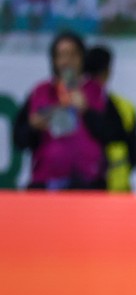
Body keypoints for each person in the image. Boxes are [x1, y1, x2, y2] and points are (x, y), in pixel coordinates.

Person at [13, 31, 120, 190]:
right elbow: (19, 139)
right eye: (61, 55)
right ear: (54, 60)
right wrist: (33, 127)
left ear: (82, 58)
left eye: (72, 54)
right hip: (46, 183)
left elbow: (115, 134)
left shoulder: (96, 91)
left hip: (89, 184)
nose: (66, 61)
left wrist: (87, 111)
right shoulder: (40, 92)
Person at [84, 45, 136, 192]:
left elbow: (133, 153)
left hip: (115, 188)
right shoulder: (71, 104)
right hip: (87, 186)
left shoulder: (124, 108)